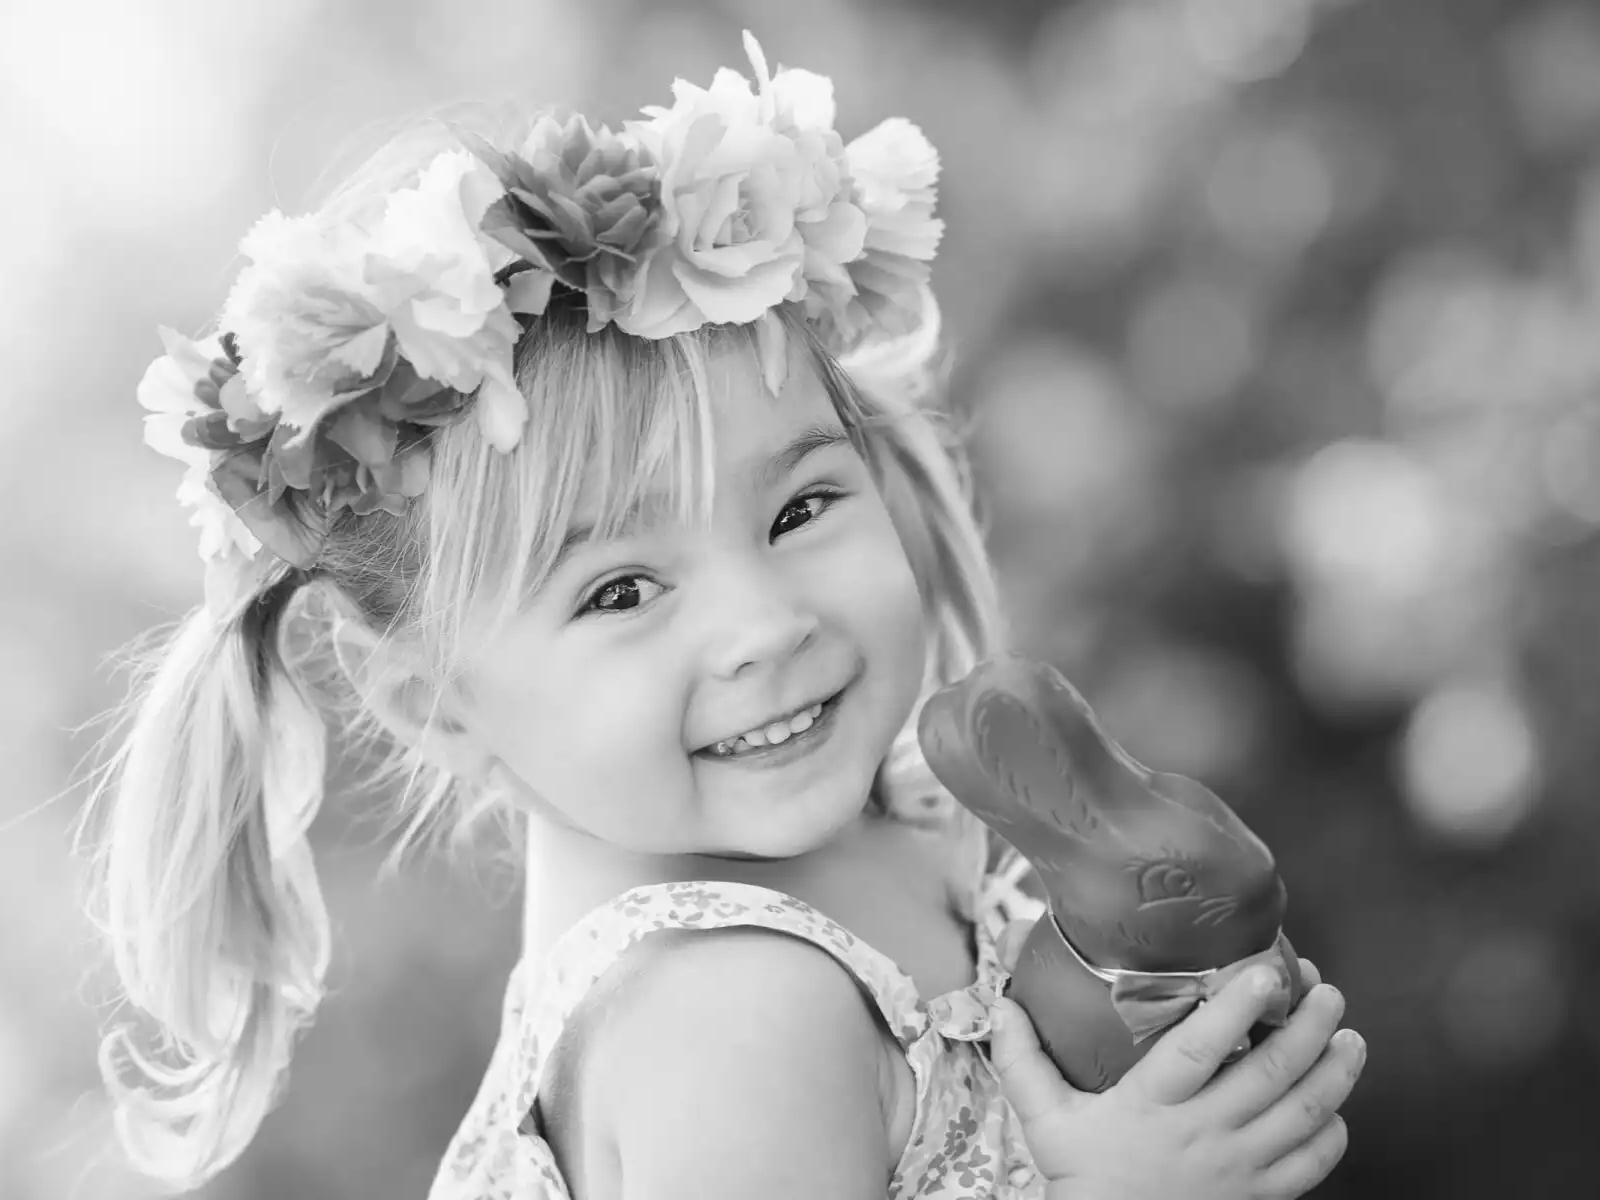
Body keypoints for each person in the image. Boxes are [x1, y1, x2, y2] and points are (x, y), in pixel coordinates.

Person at [79, 31, 1366, 1200]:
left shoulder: (896, 827)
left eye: (800, 509)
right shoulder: (732, 1019)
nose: (764, 626)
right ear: (437, 702)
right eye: (621, 591)